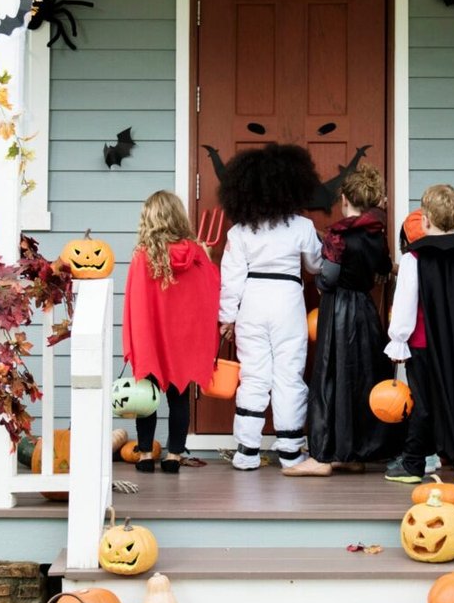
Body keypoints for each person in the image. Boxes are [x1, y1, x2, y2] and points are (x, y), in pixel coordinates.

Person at [216, 144, 323, 472]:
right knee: (289, 374)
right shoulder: (302, 226)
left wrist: (226, 318)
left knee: (253, 375)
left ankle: (247, 451)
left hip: (252, 301)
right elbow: (316, 265)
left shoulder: (239, 231)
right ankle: (291, 450)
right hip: (288, 299)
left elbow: (231, 279)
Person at [287, 164, 398, 477]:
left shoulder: (339, 234)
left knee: (330, 378)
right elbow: (384, 266)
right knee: (360, 379)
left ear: (345, 197)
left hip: (338, 312)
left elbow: (329, 276)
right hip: (364, 310)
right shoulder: (376, 232)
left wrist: (321, 283)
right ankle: (353, 452)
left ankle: (323, 456)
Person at [384, 183, 454, 484]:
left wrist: (397, 339)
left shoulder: (415, 259)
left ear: (424, 219)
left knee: (423, 403)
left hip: (424, 343)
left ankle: (413, 462)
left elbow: (405, 304)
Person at [122, 190, 221, 474]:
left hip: (150, 338)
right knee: (179, 398)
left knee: (146, 398)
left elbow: (135, 301)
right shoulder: (197, 253)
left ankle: (144, 455)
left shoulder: (142, 256)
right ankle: (174, 455)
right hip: (184, 340)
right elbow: (211, 290)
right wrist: (208, 258)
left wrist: (136, 339)